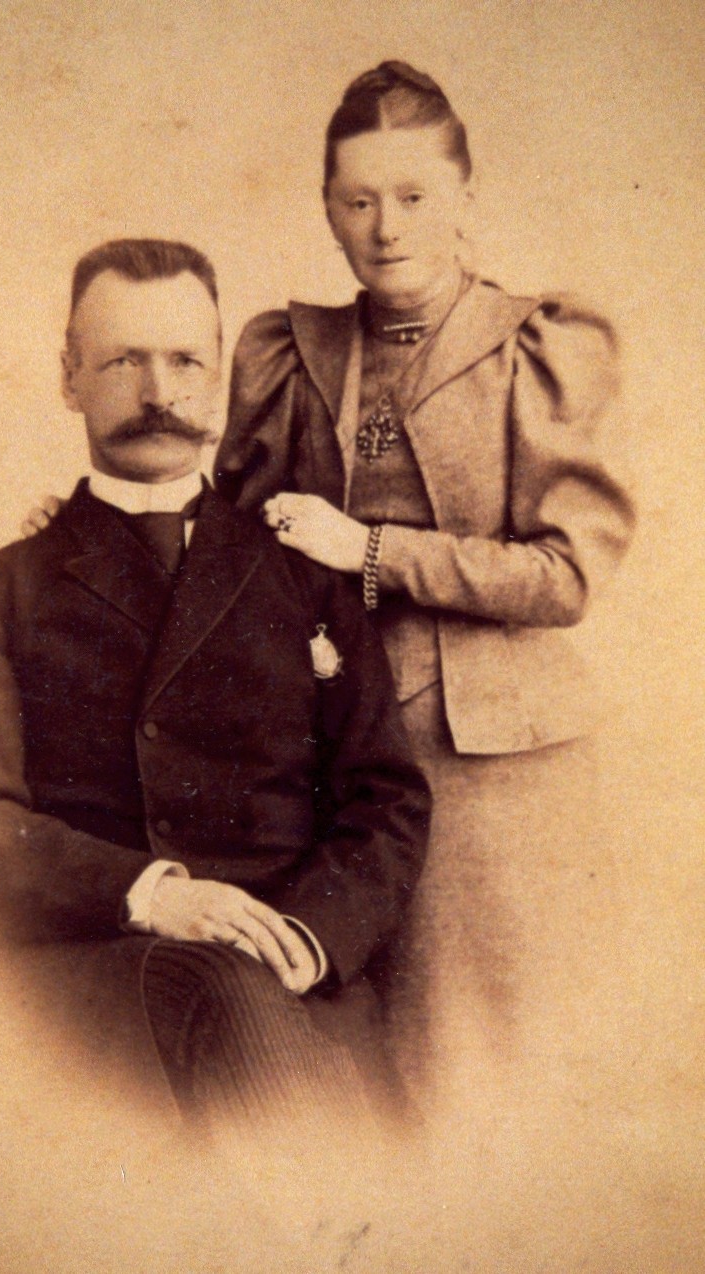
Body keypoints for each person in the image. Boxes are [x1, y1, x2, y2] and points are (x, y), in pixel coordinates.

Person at [0, 238, 430, 1138]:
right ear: (69, 378)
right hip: (91, 978)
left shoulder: (304, 575)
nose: (159, 392)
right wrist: (155, 896)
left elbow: (385, 799)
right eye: (124, 361)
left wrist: (308, 939)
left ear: (221, 373)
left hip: (291, 973)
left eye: (186, 360)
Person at [213, 62, 637, 1085]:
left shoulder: (539, 346)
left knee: (482, 1064)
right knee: (348, 1060)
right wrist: (89, 527)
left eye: (413, 197)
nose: (387, 228)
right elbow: (233, 544)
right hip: (330, 750)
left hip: (497, 774)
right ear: (327, 207)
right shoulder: (289, 351)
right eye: (358, 201)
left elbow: (566, 576)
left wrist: (370, 550)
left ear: (465, 197)